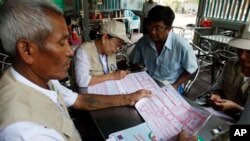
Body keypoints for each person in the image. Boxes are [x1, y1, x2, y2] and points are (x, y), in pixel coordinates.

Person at [0, 0, 151, 140]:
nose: (71, 52)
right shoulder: (25, 130)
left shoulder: (43, 78)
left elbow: (78, 100)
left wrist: (127, 98)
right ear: (27, 50)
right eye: (61, 43)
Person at [129, 5, 198, 94]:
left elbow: (191, 69)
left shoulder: (181, 45)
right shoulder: (143, 42)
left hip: (172, 85)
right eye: (150, 26)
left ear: (169, 29)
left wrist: (176, 85)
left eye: (158, 28)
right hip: (149, 83)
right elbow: (133, 61)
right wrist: (140, 77)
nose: (152, 32)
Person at [74, 20, 131, 93]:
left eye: (120, 46)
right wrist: (112, 76)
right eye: (117, 44)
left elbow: (112, 70)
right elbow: (82, 81)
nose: (117, 49)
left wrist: (120, 74)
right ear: (105, 38)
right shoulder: (84, 51)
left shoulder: (110, 52)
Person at [209, 37, 250, 120]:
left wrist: (237, 107)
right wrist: (216, 94)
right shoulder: (231, 63)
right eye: (240, 50)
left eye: (249, 52)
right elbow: (219, 84)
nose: (242, 56)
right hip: (220, 113)